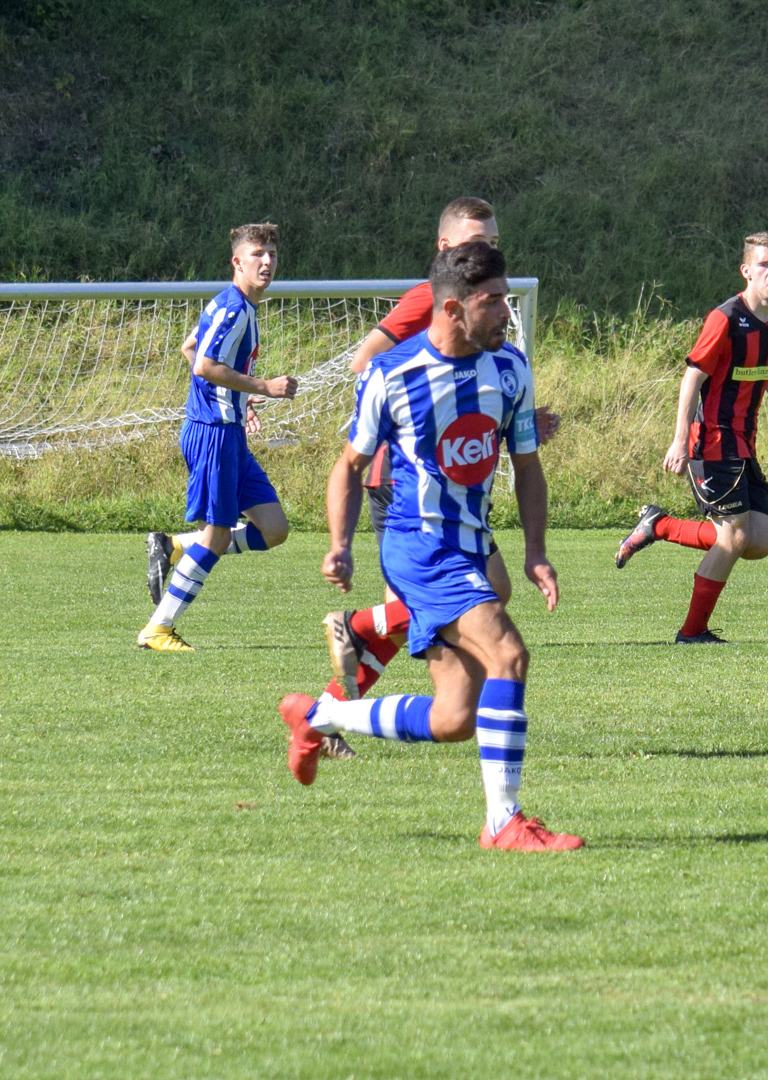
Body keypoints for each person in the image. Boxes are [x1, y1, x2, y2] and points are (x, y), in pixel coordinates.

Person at [277, 240, 582, 852]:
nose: (506, 313)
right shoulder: (393, 374)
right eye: (492, 302)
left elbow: (527, 466)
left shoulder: (509, 368)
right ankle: (503, 822)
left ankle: (319, 717)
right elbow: (349, 465)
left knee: (453, 719)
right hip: (419, 546)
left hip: (472, 543)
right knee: (508, 654)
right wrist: (339, 543)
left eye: (506, 299)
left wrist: (536, 551)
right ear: (451, 308)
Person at [316, 197, 559, 711]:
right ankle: (346, 667)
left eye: (493, 241)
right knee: (454, 602)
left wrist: (494, 416)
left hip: (454, 478)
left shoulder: (492, 325)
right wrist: (412, 417)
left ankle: (330, 705)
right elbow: (366, 361)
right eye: (476, 240)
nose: (486, 248)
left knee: (480, 593)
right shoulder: (429, 297)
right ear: (445, 246)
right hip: (403, 474)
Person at [612, 232, 768, 643]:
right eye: (764, 264)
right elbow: (692, 377)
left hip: (744, 441)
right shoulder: (725, 318)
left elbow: (760, 366)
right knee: (734, 535)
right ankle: (692, 632)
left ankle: (660, 526)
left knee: (758, 541)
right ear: (746, 271)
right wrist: (679, 440)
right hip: (711, 440)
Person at [137, 223, 296, 652]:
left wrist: (238, 400)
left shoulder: (234, 303)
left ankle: (173, 545)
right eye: (257, 254)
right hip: (213, 436)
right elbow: (204, 365)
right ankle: (158, 629)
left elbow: (190, 346)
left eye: (272, 254)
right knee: (217, 536)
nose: (267, 261)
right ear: (237, 262)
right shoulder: (235, 309)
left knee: (274, 529)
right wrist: (263, 387)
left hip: (229, 433)